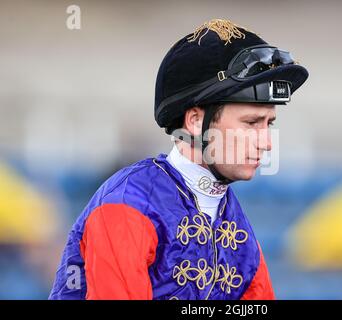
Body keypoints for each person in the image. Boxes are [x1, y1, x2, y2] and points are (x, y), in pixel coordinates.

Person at [49, 18, 308, 300]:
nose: (267, 143)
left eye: (268, 124)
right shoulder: (125, 206)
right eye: (250, 123)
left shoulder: (238, 229)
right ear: (196, 121)